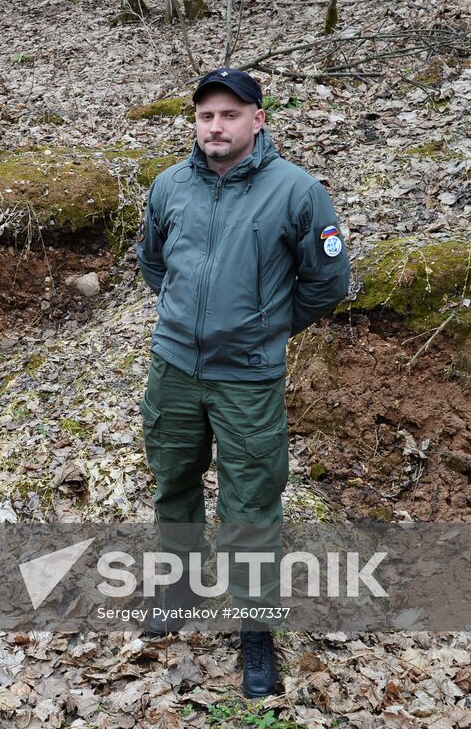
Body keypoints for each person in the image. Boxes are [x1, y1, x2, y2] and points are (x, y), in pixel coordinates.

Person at [134, 67, 351, 699]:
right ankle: (178, 587)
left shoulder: (298, 192)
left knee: (250, 505)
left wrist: (265, 329)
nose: (216, 127)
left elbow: (327, 283)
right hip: (174, 368)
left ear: (258, 119)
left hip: (248, 380)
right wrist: (185, 322)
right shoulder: (169, 186)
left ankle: (256, 631)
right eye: (206, 116)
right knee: (173, 483)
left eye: (230, 115)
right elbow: (154, 261)